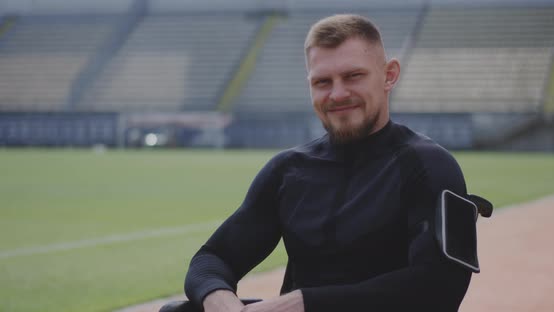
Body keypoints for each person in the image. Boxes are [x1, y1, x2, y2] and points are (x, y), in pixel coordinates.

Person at [184, 14, 472, 312]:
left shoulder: (428, 165)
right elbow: (211, 260)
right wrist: (220, 300)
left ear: (389, 75)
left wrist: (303, 303)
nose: (337, 94)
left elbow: (440, 286)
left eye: (353, 76)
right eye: (322, 82)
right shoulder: (288, 171)